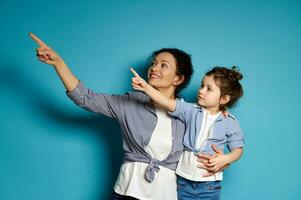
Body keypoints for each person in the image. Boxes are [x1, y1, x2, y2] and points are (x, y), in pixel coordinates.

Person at [131, 66, 245, 199]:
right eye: (202, 86)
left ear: (224, 99)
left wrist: (226, 158)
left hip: (210, 184)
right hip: (184, 180)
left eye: (209, 89)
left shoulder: (230, 122)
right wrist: (146, 87)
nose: (201, 91)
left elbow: (238, 149)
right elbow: (166, 102)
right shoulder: (190, 110)